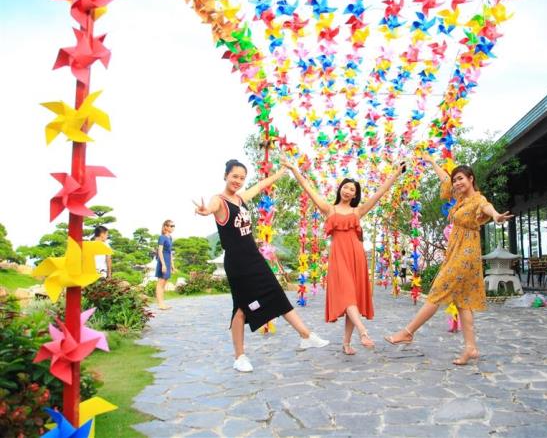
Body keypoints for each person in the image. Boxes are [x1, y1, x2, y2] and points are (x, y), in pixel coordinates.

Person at [194, 159, 329, 373]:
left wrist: (281, 172)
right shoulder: (218, 200)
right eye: (234, 176)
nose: (238, 181)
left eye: (242, 178)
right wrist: (205, 210)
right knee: (241, 307)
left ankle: (306, 335)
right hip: (237, 263)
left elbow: (259, 186)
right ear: (225, 176)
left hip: (254, 258)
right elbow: (211, 207)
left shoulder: (240, 199)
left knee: (276, 293)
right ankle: (239, 357)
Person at [385, 154, 513, 365]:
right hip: (456, 251)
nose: (456, 183)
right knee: (463, 301)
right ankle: (471, 348)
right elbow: (445, 179)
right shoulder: (460, 198)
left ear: (471, 178)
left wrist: (496, 215)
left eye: (461, 178)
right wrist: (433, 162)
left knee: (437, 291)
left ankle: (408, 332)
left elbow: (486, 207)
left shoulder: (478, 199)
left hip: (466, 254)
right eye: (455, 180)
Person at [282, 156, 405, 355]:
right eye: (346, 187)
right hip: (338, 257)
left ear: (355, 195)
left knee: (352, 300)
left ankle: (346, 343)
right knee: (348, 295)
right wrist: (294, 169)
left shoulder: (358, 211)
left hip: (356, 256)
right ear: (340, 188)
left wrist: (396, 174)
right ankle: (363, 332)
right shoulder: (328, 209)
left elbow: (380, 193)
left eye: (352, 190)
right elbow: (307, 188)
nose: (348, 191)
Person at [155, 219, 176, 310]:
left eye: (173, 226)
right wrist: (163, 264)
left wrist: (172, 265)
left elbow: (170, 252)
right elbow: (160, 251)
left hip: (167, 261)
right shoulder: (162, 237)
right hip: (162, 261)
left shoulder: (170, 237)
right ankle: (160, 304)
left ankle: (163, 303)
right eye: (171, 226)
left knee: (164, 284)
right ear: (165, 227)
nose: (173, 228)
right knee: (160, 283)